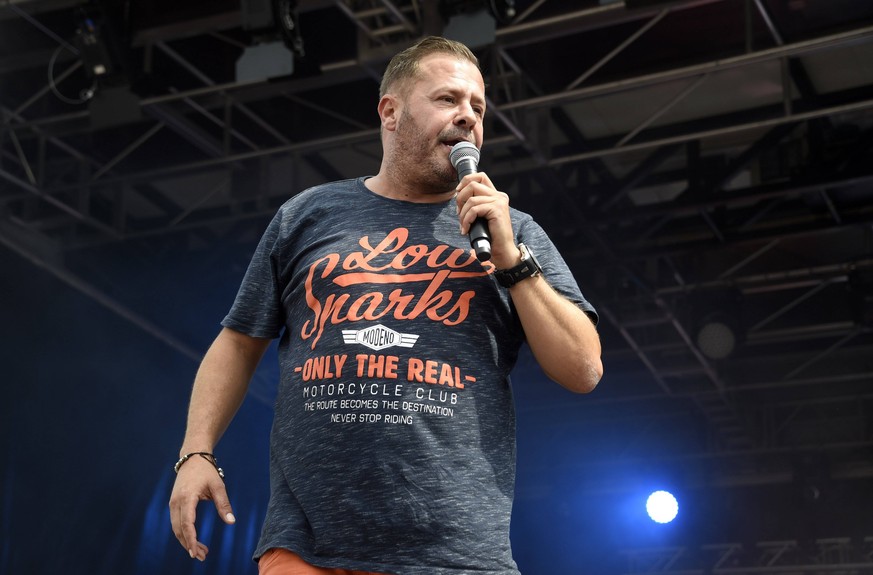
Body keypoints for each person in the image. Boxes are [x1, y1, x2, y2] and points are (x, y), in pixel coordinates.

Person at [168, 35, 603, 575]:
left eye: (478, 107)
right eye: (448, 99)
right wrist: (196, 452)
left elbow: (584, 368)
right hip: (309, 548)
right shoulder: (309, 215)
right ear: (390, 111)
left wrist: (513, 262)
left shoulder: (513, 232)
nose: (468, 117)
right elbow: (238, 340)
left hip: (456, 555)